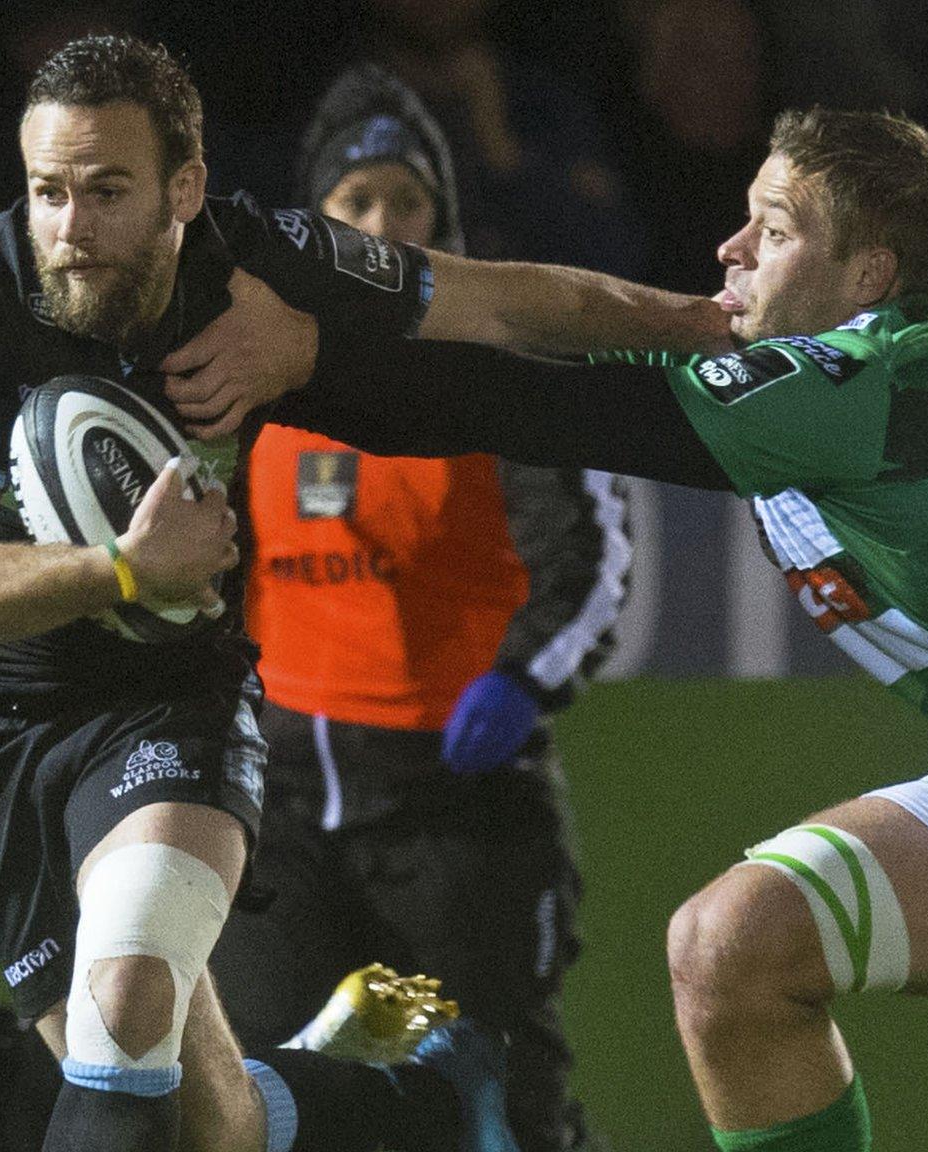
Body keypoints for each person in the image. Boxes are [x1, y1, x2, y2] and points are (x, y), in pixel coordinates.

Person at [158, 107, 928, 1151]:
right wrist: (275, 261)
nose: (727, 252)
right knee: (731, 949)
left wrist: (298, 358)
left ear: (868, 273)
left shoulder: (869, 385)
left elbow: (517, 405)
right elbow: (514, 313)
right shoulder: (791, 369)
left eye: (772, 229)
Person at [0, 32, 565, 1152]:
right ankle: (410, 1098)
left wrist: (693, 329)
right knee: (211, 1122)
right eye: (48, 190)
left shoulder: (259, 278)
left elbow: (508, 309)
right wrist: (119, 570)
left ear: (181, 188)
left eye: (106, 190)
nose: (70, 224)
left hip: (192, 717)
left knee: (120, 1029)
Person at [205, 64, 618, 1152]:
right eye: (356, 204)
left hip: (455, 808)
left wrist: (524, 679)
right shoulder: (251, 368)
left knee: (490, 1105)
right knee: (260, 1103)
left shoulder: (503, 362)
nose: (383, 226)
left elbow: (587, 557)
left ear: (442, 218)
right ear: (315, 220)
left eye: (407, 203)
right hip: (283, 813)